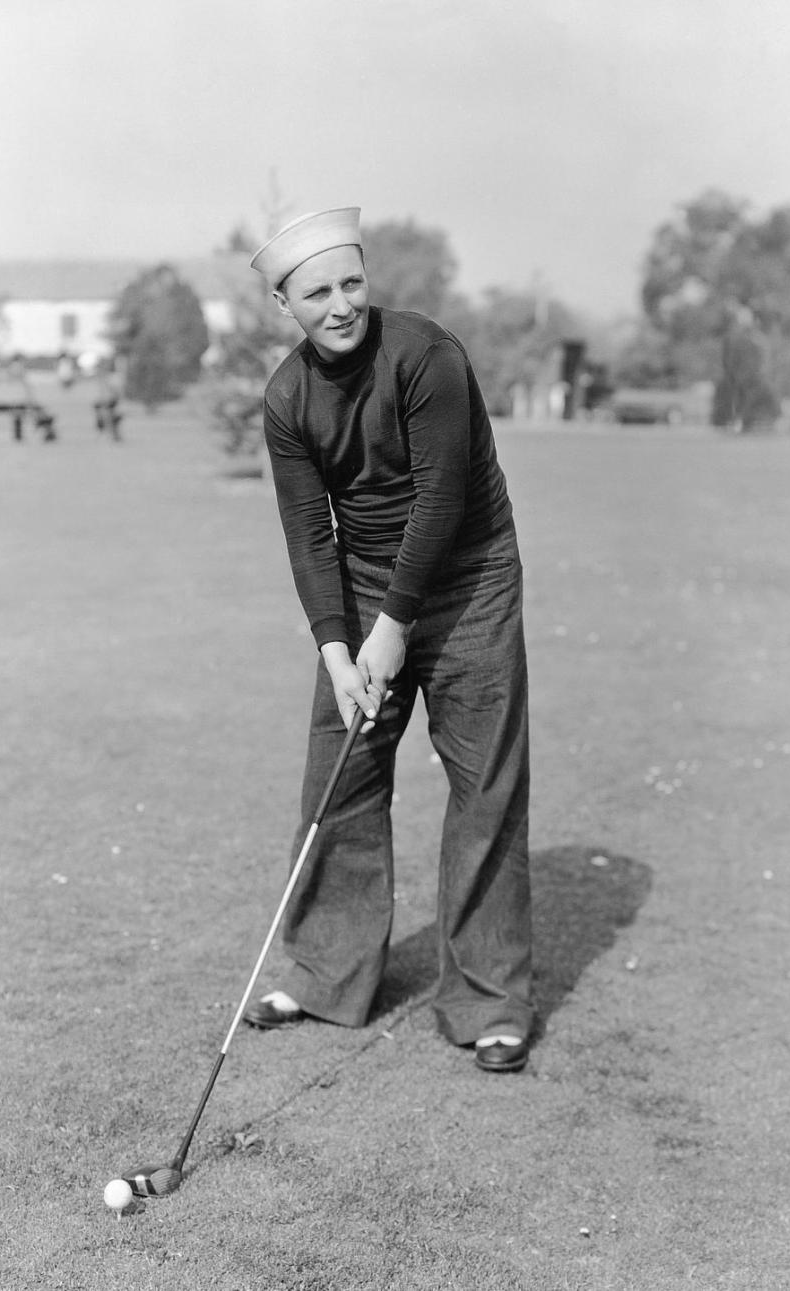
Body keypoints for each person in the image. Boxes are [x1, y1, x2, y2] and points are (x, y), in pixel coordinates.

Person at [245, 208, 533, 1073]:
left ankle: (489, 999)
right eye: (317, 292)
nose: (340, 305)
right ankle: (330, 972)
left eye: (351, 283)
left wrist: (393, 628)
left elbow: (442, 500)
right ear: (284, 304)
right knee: (342, 777)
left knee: (484, 783)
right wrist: (339, 649)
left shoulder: (426, 354)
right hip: (368, 585)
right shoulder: (286, 398)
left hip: (470, 577)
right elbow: (308, 531)